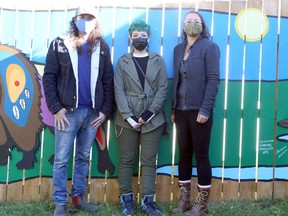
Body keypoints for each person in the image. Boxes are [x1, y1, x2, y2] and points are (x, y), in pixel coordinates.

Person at [43, 5, 114, 216]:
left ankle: (77, 198)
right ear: (75, 19)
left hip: (92, 113)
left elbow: (108, 80)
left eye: (90, 17)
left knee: (83, 157)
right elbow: (49, 77)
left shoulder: (101, 47)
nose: (86, 21)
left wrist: (104, 111)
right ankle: (60, 203)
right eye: (83, 17)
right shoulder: (60, 44)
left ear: (96, 21)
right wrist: (56, 109)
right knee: (62, 158)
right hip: (68, 113)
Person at [114, 20, 168, 216]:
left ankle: (148, 201)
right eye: (135, 35)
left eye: (143, 35)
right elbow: (118, 90)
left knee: (148, 160)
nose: (139, 38)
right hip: (126, 120)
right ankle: (126, 199)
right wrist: (129, 117)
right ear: (130, 38)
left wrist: (148, 114)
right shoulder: (122, 62)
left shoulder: (158, 60)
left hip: (152, 119)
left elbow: (163, 89)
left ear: (149, 38)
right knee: (127, 159)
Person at [171, 10, 220, 216]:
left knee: (201, 156)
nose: (192, 23)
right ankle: (185, 201)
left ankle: (202, 205)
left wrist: (205, 109)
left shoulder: (210, 47)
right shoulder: (177, 49)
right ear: (183, 26)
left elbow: (213, 79)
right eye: (188, 21)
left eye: (196, 21)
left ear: (202, 25)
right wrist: (173, 108)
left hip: (199, 112)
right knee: (183, 156)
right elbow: (177, 81)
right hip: (180, 112)